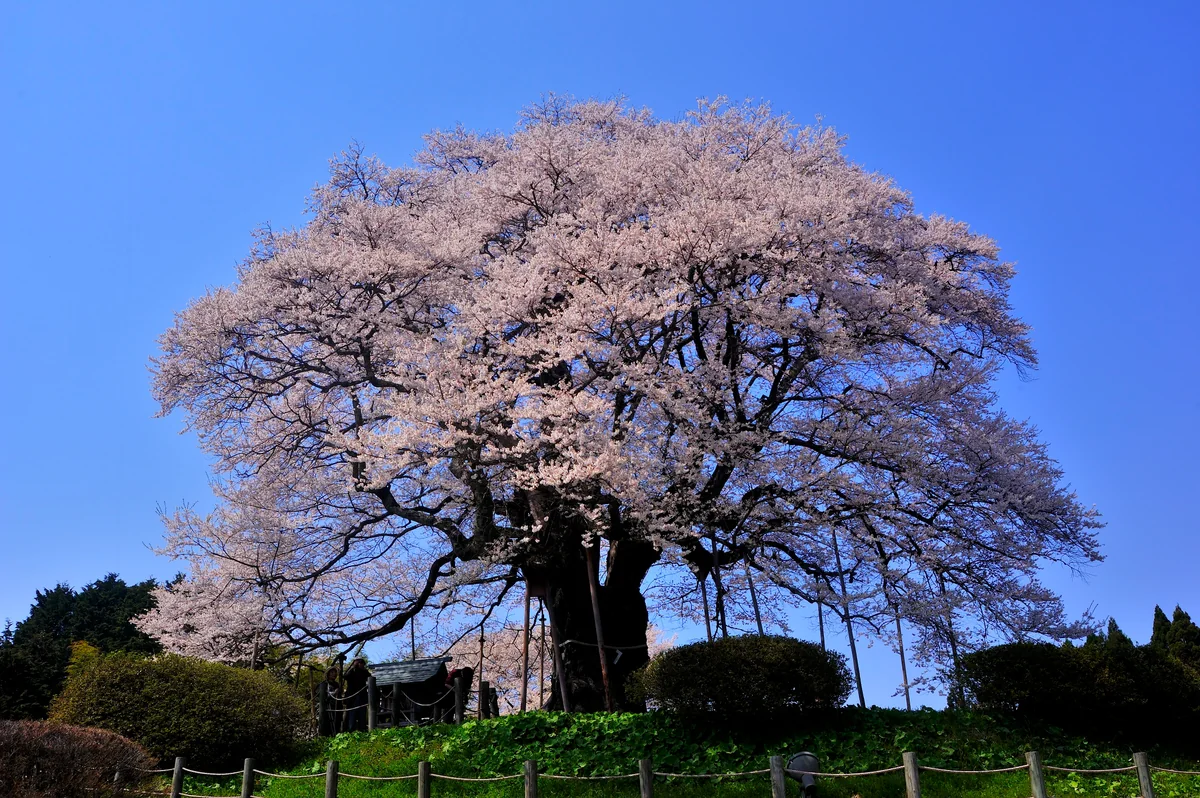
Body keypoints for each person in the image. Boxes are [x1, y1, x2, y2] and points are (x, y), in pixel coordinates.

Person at [343, 657, 370, 731]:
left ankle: (362, 729)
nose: (360, 664)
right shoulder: (352, 671)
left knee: (362, 715)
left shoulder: (364, 672)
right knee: (352, 715)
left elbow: (370, 678)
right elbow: (345, 676)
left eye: (362, 663)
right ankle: (350, 730)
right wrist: (353, 667)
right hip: (352, 697)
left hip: (362, 696)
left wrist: (365, 670)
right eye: (359, 662)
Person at [321, 666, 342, 735]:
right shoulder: (325, 684)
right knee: (329, 723)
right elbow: (326, 695)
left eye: (335, 673)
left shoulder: (336, 684)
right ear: (328, 674)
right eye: (332, 672)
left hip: (337, 706)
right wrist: (335, 692)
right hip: (329, 707)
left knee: (337, 721)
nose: (334, 674)